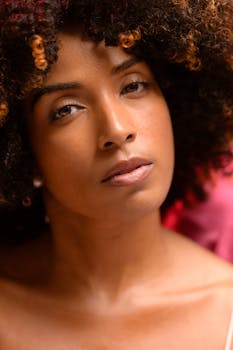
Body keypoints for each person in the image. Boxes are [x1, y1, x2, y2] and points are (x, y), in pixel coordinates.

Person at [0, 0, 232, 349]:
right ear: (23, 154)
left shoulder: (225, 309)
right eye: (66, 109)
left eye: (133, 86)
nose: (117, 129)